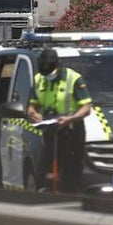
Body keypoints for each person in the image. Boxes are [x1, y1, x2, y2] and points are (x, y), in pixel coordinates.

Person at [27, 47, 93, 193]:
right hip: (50, 132)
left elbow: (86, 108)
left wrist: (70, 119)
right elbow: (31, 105)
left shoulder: (73, 78)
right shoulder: (39, 79)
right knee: (44, 176)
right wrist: (33, 113)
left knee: (69, 177)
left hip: (71, 132)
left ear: (58, 64)